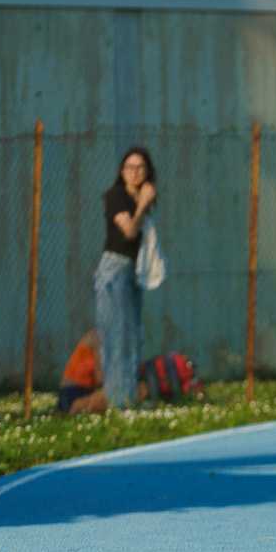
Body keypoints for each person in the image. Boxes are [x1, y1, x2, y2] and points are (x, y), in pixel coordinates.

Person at [97, 148, 157, 415]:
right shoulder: (116, 196)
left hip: (133, 273)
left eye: (140, 167)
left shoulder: (140, 199)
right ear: (122, 172)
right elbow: (130, 231)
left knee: (133, 338)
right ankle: (117, 404)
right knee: (117, 339)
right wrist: (143, 204)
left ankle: (129, 399)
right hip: (115, 272)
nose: (135, 173)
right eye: (130, 168)